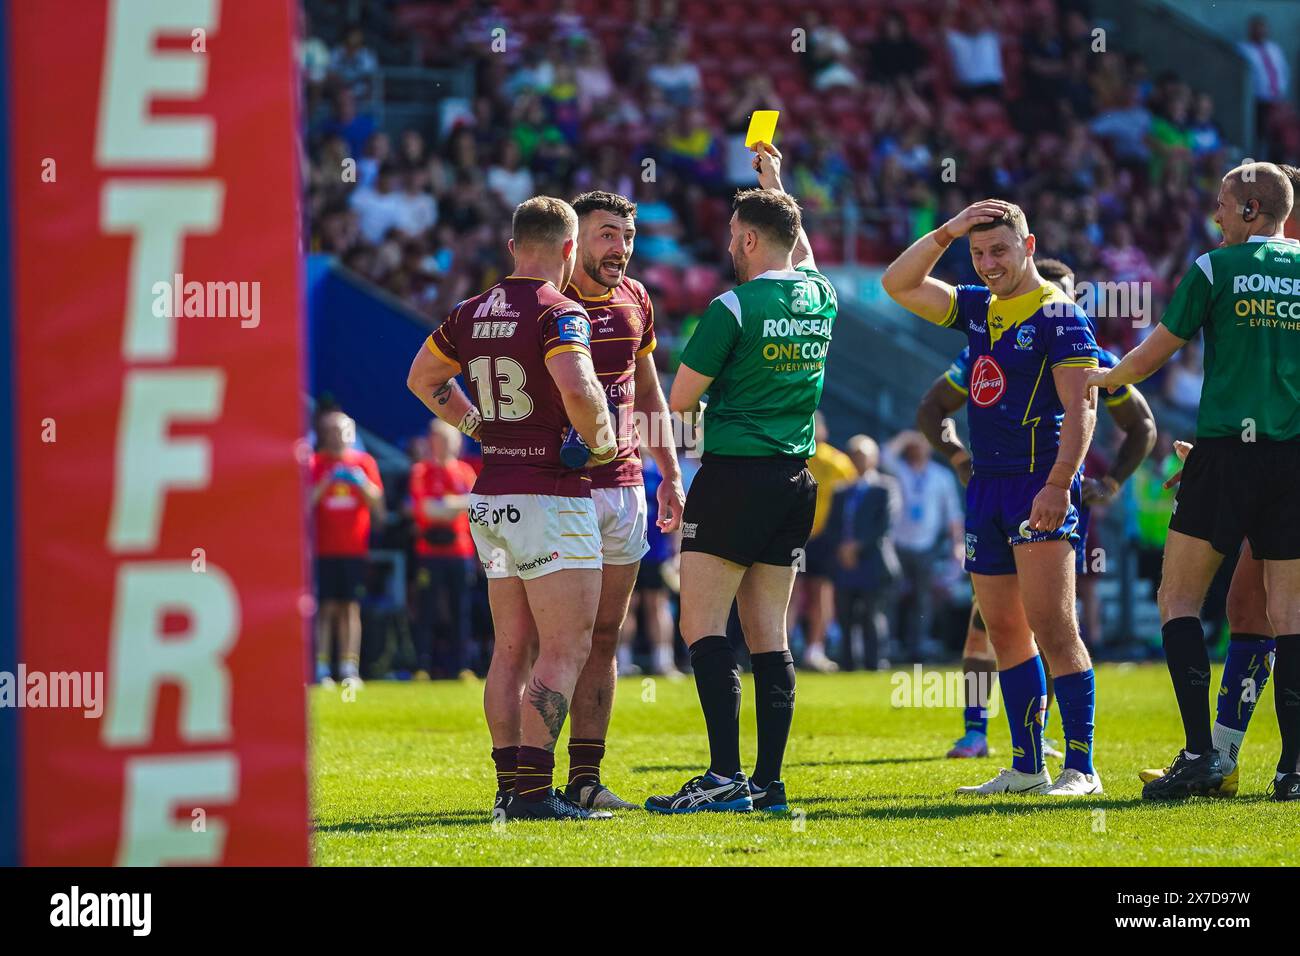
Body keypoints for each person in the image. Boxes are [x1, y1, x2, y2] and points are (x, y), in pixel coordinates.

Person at [1090, 162, 1300, 802]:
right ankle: (1292, 770)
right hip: (1291, 458)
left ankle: (1202, 756)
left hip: (1223, 456)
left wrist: (1099, 382)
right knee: (1290, 616)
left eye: (1221, 205)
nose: (1214, 215)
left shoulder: (1215, 267)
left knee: (1178, 600)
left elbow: (1155, 352)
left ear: (1249, 209)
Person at [406, 195, 618, 821]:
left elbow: (423, 378)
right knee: (567, 647)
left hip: (492, 496)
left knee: (509, 649)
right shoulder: (560, 310)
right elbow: (579, 389)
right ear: (569, 249)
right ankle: (531, 793)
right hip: (549, 494)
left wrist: (477, 427)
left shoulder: (471, 310)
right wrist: (601, 440)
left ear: (512, 248)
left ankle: (508, 788)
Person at [883, 199, 1103, 796]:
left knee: (1054, 627)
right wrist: (948, 231)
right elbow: (897, 283)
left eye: (999, 250)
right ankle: (1028, 766)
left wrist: (1060, 484)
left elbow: (1083, 407)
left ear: (1028, 247)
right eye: (977, 254)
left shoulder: (1059, 316)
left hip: (1039, 483)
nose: (987, 264)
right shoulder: (978, 307)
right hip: (986, 486)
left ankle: (1081, 768)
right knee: (1004, 630)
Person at [649, 142, 836, 814]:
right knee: (771, 637)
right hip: (794, 480)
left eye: (734, 236)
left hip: (732, 476)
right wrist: (778, 184)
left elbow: (677, 402)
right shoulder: (821, 295)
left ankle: (723, 776)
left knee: (702, 626)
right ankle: (769, 784)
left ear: (751, 239)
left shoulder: (731, 309)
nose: (729, 246)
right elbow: (802, 255)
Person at [916, 258, 1157, 760]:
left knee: (1051, 621)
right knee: (993, 621)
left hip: (1057, 491)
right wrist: (960, 458)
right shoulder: (985, 348)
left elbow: (1143, 426)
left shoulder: (1089, 351)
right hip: (1001, 490)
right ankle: (979, 729)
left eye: (1067, 297)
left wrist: (1110, 482)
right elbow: (930, 409)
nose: (1058, 303)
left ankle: (1063, 750)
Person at [560, 190, 685, 811]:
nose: (621, 249)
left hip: (626, 484)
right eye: (607, 235)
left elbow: (648, 391)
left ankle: (584, 780)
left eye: (627, 237)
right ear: (574, 240)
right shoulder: (548, 300)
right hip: (555, 489)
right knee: (554, 639)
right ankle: (525, 781)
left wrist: (670, 472)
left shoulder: (637, 298)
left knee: (606, 634)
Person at [310, 410, 385, 689]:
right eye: (332, 432)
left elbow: (378, 505)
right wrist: (327, 481)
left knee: (350, 608)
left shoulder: (364, 463)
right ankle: (321, 667)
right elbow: (304, 504)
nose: (338, 437)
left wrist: (360, 483)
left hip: (354, 549)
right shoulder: (314, 463)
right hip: (322, 549)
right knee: (326, 607)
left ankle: (348, 667)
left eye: (343, 432)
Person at [881, 430, 963, 662]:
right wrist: (906, 436)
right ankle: (890, 645)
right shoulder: (900, 470)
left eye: (922, 444)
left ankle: (918, 646)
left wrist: (957, 545)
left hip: (927, 545)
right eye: (914, 445)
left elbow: (953, 514)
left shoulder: (941, 476)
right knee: (892, 596)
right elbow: (883, 456)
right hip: (897, 543)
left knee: (923, 599)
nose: (918, 448)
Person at [407, 418, 478, 678]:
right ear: (431, 442)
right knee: (426, 608)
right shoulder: (421, 471)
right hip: (429, 552)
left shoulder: (465, 472)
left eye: (449, 439)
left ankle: (461, 667)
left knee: (461, 609)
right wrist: (457, 504)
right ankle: (422, 666)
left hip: (460, 552)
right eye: (439, 439)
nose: (444, 445)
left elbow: (475, 506)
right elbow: (426, 510)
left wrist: (445, 505)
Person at [824, 435, 899, 671]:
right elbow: (832, 525)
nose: (859, 461)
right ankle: (847, 663)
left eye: (863, 456)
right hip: (845, 563)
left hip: (872, 561)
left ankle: (874, 661)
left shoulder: (885, 487)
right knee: (845, 615)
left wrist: (856, 546)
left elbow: (884, 524)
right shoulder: (841, 491)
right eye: (854, 456)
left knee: (872, 615)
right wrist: (842, 548)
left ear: (874, 459)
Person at [796, 411, 857, 672]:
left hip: (824, 538)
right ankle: (781, 648)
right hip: (795, 534)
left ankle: (814, 650)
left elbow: (853, 503)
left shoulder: (838, 462)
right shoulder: (796, 454)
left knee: (821, 593)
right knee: (789, 593)